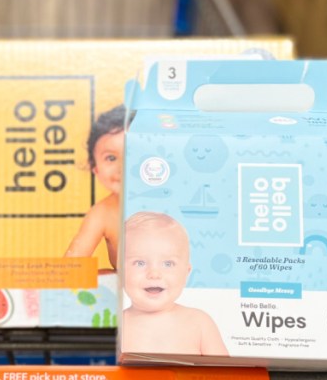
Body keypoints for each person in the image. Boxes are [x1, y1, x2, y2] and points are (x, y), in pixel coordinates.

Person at [120, 212, 228, 356]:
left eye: (168, 263)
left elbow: (226, 374)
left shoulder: (199, 323)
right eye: (140, 263)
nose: (154, 273)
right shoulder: (115, 327)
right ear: (119, 271)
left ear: (186, 272)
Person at [64, 106, 125, 267]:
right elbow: (71, 266)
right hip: (127, 290)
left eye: (132, 153)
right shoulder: (103, 213)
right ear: (96, 169)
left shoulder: (172, 201)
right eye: (111, 158)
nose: (122, 166)